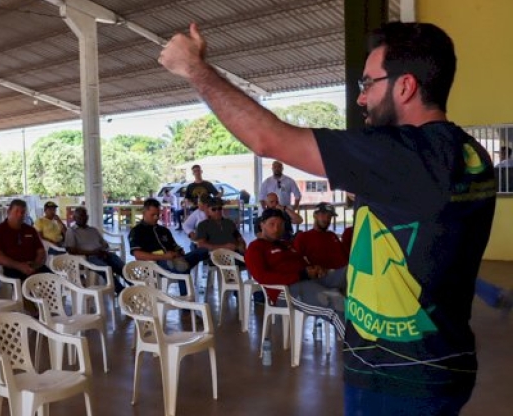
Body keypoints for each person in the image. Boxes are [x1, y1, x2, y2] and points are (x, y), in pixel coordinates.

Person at [159, 21, 496, 414]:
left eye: (368, 84)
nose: (360, 99)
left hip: (395, 377)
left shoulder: (399, 154)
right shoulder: (470, 153)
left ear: (405, 86)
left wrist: (194, 68)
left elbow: (267, 139)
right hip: (446, 361)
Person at [128, 198, 201, 296]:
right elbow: (138, 255)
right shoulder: (137, 231)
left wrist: (179, 251)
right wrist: (164, 257)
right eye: (153, 215)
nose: (156, 217)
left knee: (201, 252)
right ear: (144, 213)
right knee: (181, 268)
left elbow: (175, 246)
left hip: (173, 258)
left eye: (158, 215)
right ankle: (186, 301)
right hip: (155, 264)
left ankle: (182, 263)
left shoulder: (164, 230)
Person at [64, 206, 127, 293]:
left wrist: (102, 251)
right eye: (80, 216)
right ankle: (122, 292)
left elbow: (105, 244)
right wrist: (92, 252)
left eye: (85, 216)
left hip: (101, 254)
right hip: (86, 258)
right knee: (106, 269)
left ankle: (135, 287)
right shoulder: (71, 231)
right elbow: (71, 250)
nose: (83, 218)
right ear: (74, 218)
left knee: (121, 266)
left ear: (87, 217)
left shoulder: (93, 230)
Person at [0, 199, 49, 282]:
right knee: (27, 287)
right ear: (9, 212)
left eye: (23, 212)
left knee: (56, 283)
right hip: (11, 269)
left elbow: (41, 252)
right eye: (16, 211)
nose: (20, 214)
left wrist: (35, 265)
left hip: (33, 266)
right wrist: (20, 266)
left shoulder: (30, 230)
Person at [293, 203, 347, 270]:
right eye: (323, 214)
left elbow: (344, 258)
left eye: (329, 216)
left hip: (342, 274)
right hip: (319, 277)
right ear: (315, 215)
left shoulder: (332, 236)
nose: (327, 219)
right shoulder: (303, 237)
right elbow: (295, 262)